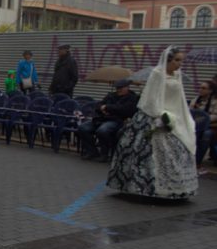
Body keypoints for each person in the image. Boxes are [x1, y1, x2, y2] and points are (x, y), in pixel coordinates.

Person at [107, 46, 198, 199]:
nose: (179, 64)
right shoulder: (157, 74)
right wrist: (161, 115)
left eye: (181, 60)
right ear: (168, 60)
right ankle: (143, 187)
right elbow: (150, 97)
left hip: (174, 117)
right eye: (177, 60)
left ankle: (176, 188)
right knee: (146, 153)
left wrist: (184, 118)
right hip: (154, 115)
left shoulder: (177, 75)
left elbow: (179, 99)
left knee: (178, 150)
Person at [78, 78, 138, 162]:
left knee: (102, 131)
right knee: (83, 128)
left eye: (121, 88)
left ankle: (104, 154)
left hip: (117, 120)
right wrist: (102, 109)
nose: (118, 90)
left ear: (127, 88)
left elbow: (125, 109)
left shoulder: (132, 98)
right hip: (102, 119)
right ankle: (92, 151)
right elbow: (99, 105)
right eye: (117, 88)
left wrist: (108, 107)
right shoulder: (111, 96)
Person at [189, 78, 217, 174]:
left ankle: (197, 162)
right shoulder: (196, 100)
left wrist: (204, 119)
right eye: (200, 87)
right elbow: (190, 112)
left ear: (210, 90)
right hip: (195, 126)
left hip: (211, 127)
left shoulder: (215, 102)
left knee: (206, 135)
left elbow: (215, 115)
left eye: (204, 88)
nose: (200, 90)